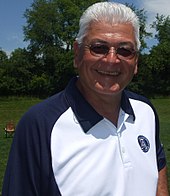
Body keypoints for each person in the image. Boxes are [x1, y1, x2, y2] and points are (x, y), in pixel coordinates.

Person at [2, 2, 169, 196]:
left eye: (124, 50)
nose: (111, 60)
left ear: (136, 61)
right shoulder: (40, 124)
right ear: (77, 53)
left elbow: (157, 168)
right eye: (99, 47)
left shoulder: (145, 110)